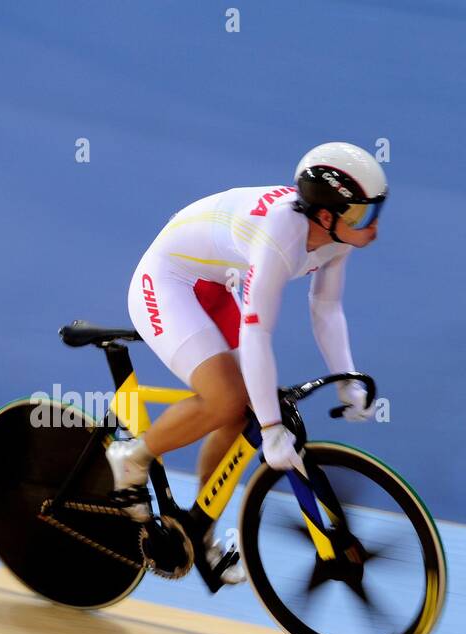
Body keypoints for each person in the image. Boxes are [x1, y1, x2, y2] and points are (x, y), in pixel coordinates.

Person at [108, 141, 387, 584]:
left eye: (375, 211)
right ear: (327, 216)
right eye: (361, 216)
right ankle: (132, 457)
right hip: (170, 279)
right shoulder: (281, 240)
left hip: (219, 278)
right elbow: (256, 334)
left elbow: (326, 309)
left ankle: (199, 528)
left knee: (245, 411)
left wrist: (346, 382)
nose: (371, 227)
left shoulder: (336, 237)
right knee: (229, 400)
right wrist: (273, 430)